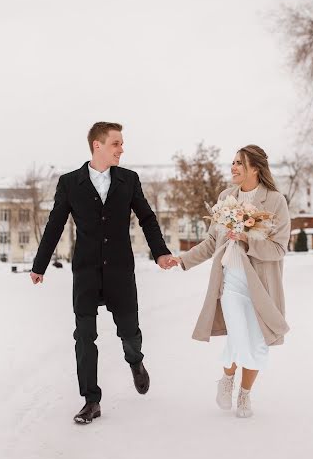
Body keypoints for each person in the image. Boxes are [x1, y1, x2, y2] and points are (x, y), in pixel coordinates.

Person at [30, 122, 176, 424]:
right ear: (97, 145)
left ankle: (135, 361)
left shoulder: (129, 180)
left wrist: (160, 251)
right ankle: (91, 401)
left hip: (120, 270)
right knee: (84, 336)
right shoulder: (70, 183)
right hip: (85, 271)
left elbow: (147, 218)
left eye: (121, 144)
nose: (122, 149)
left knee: (129, 329)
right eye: (116, 143)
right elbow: (55, 224)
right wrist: (39, 265)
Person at [171, 145, 290, 418]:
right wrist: (184, 259)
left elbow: (279, 249)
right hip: (231, 282)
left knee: (258, 343)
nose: (233, 167)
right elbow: (214, 241)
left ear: (255, 169)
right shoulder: (226, 198)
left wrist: (248, 240)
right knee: (238, 334)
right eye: (233, 162)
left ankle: (245, 394)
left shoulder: (274, 201)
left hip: (262, 286)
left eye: (240, 163)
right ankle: (227, 379)